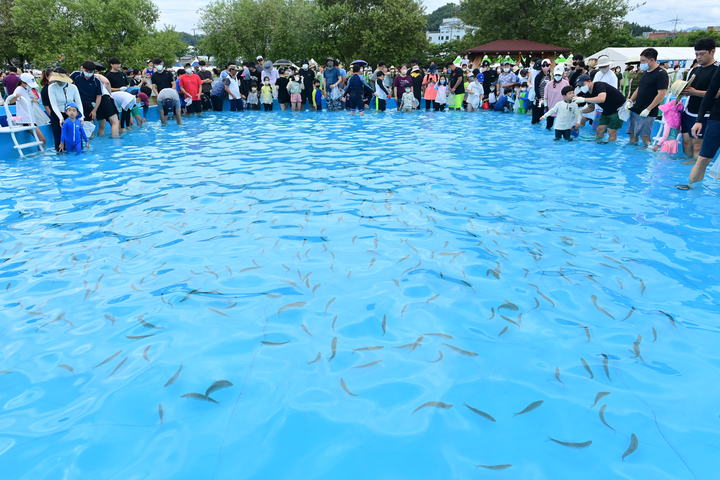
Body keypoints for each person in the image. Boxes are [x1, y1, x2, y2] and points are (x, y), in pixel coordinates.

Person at [677, 67, 720, 189]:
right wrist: (699, 120)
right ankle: (690, 186)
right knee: (703, 158)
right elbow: (710, 93)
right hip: (717, 118)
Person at [681, 38, 718, 159]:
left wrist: (695, 92)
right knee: (686, 142)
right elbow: (689, 89)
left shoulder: (717, 70)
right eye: (696, 54)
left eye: (702, 54)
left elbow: (717, 94)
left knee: (698, 146)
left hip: (706, 113)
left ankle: (694, 174)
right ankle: (685, 171)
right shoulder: (695, 69)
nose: (698, 57)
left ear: (712, 52)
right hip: (689, 110)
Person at [627, 48, 669, 146]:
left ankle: (648, 154)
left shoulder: (661, 74)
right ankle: (632, 155)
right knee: (632, 134)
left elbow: (662, 93)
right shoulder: (646, 72)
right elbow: (639, 88)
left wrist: (648, 109)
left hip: (648, 112)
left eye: (643, 61)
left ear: (652, 60)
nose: (641, 63)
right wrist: (630, 100)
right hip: (636, 108)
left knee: (645, 136)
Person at [70, 61, 120, 138]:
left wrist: (94, 110)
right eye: (87, 71)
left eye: (91, 72)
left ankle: (106, 141)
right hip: (87, 103)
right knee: (114, 122)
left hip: (94, 103)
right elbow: (106, 82)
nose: (88, 74)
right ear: (82, 69)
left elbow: (98, 96)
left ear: (94, 71)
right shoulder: (75, 75)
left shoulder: (96, 80)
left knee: (99, 125)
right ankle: (116, 141)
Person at [574, 73, 627, 143]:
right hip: (606, 110)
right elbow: (591, 108)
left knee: (611, 131)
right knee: (599, 129)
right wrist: (581, 111)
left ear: (589, 81)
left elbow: (602, 99)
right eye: (579, 86)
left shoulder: (599, 85)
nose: (581, 87)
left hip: (619, 109)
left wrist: (584, 99)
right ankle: (598, 146)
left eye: (582, 84)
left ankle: (611, 148)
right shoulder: (587, 93)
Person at [46, 69, 83, 150]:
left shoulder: (73, 87)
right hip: (57, 114)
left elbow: (79, 103)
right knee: (59, 139)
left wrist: (81, 117)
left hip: (72, 114)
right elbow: (54, 105)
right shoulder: (51, 87)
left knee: (77, 137)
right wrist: (60, 117)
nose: (59, 81)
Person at [8, 72, 48, 145]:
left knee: (41, 140)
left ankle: (39, 153)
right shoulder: (19, 89)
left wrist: (32, 100)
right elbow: (10, 101)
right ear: (22, 82)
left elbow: (25, 99)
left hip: (29, 119)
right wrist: (15, 97)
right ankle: (40, 154)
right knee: (42, 140)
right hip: (26, 120)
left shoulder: (26, 89)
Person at [543, 65, 569, 130]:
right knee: (548, 126)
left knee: (561, 127)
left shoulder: (566, 83)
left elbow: (569, 95)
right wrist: (546, 106)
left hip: (562, 109)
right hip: (551, 108)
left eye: (559, 75)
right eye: (556, 75)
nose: (557, 76)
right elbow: (545, 97)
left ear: (562, 74)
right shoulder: (548, 84)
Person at [532, 60, 551, 124]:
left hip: (547, 100)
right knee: (535, 119)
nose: (545, 67)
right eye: (543, 65)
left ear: (550, 66)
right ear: (541, 67)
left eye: (547, 65)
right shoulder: (538, 76)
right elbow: (536, 88)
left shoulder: (551, 76)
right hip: (539, 100)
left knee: (541, 117)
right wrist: (539, 98)